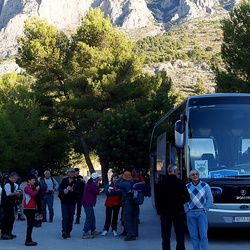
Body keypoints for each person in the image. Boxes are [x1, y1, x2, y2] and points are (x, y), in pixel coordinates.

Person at [155, 164, 190, 250]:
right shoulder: (180, 182)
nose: (178, 172)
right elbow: (187, 197)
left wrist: (159, 210)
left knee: (166, 235)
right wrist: (180, 202)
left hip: (165, 212)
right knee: (180, 234)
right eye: (177, 170)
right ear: (175, 171)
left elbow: (157, 198)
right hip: (178, 211)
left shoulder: (161, 183)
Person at [184, 169, 213, 250]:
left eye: (196, 174)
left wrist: (205, 209)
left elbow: (210, 199)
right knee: (193, 236)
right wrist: (186, 210)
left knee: (203, 235)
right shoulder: (187, 187)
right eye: (193, 174)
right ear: (190, 177)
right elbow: (183, 199)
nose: (195, 176)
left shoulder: (205, 186)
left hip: (201, 212)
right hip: (191, 213)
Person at [115, 171, 139, 241]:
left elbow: (117, 185)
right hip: (135, 202)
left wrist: (119, 178)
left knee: (127, 219)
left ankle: (130, 235)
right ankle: (135, 233)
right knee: (134, 218)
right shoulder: (134, 182)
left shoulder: (125, 183)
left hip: (128, 203)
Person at [58, 168, 80, 239]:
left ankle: (68, 231)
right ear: (68, 173)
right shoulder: (64, 180)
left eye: (73, 172)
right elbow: (59, 189)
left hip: (72, 202)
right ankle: (64, 231)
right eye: (70, 172)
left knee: (70, 218)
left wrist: (72, 190)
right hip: (64, 201)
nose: (72, 173)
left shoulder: (76, 182)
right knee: (65, 217)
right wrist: (63, 190)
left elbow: (79, 192)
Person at [82, 172, 104, 239]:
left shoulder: (91, 183)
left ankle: (93, 230)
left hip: (89, 203)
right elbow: (97, 192)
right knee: (89, 218)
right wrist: (99, 188)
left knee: (92, 217)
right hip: (88, 203)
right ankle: (85, 232)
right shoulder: (91, 184)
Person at [1, 172, 21, 240]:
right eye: (15, 179)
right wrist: (15, 193)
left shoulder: (11, 184)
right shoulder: (7, 184)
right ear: (12, 177)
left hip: (11, 204)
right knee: (7, 218)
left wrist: (15, 193)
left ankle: (9, 232)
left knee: (11, 218)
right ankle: (4, 233)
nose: (16, 180)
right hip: (7, 204)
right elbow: (8, 194)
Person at [23, 174, 40, 246]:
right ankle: (28, 240)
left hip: (32, 208)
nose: (34, 181)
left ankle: (29, 239)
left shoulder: (32, 187)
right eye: (33, 180)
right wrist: (36, 189)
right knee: (30, 224)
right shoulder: (27, 188)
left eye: (35, 180)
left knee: (31, 224)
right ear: (29, 181)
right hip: (28, 208)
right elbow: (32, 194)